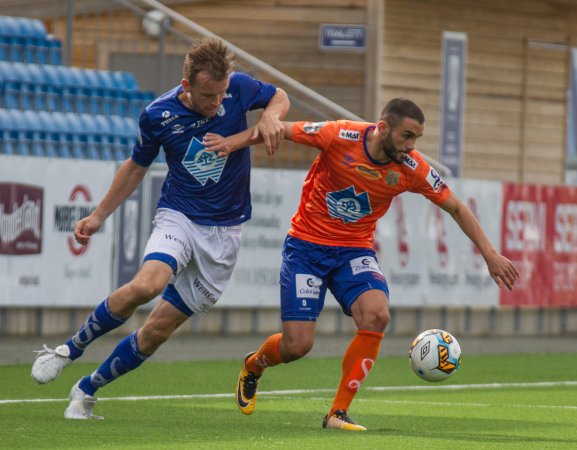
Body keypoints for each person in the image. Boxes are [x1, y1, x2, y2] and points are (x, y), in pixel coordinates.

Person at [213, 97, 519, 430]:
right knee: (297, 345)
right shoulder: (338, 135)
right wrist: (234, 142)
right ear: (383, 128)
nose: (411, 145)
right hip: (306, 248)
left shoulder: (412, 168)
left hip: (353, 251)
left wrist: (489, 253)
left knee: (377, 314)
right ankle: (255, 365)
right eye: (406, 136)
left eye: (417, 138)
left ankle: (336, 413)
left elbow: (456, 207)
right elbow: (278, 129)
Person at [30, 38, 290, 419]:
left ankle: (86, 390)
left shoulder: (238, 86)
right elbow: (136, 166)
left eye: (221, 94)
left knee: (155, 332)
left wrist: (269, 116)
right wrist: (99, 215)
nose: (217, 103)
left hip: (225, 234)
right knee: (147, 285)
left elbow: (279, 96)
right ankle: (68, 350)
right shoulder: (157, 114)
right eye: (207, 95)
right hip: (179, 215)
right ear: (186, 86)